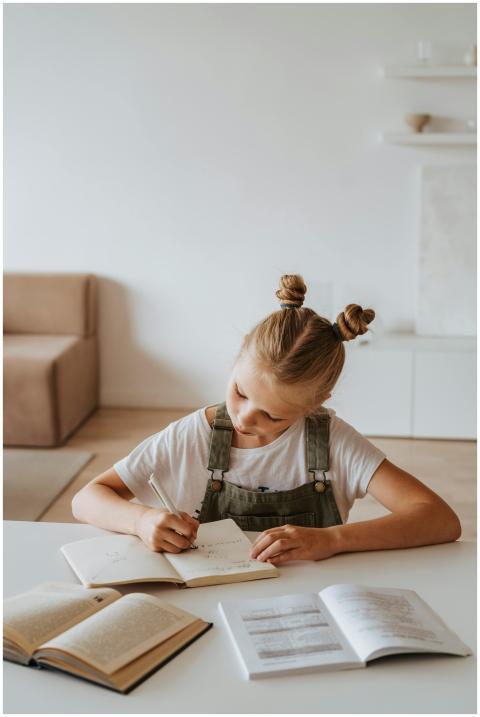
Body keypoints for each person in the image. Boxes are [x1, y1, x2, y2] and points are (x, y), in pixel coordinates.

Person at [72, 274, 461, 565]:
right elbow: (87, 499)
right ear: (239, 356)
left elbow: (439, 520)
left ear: (316, 403)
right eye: (240, 392)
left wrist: (334, 540)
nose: (243, 416)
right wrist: (141, 521)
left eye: (272, 415)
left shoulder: (333, 443)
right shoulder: (194, 435)